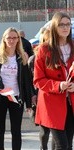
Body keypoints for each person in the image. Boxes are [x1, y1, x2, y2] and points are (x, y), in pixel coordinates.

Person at [0, 27, 32, 150]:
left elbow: (27, 81)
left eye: (14, 37)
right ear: (4, 39)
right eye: (9, 37)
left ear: (18, 40)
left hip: (16, 97)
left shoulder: (22, 58)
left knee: (16, 131)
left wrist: (29, 103)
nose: (11, 40)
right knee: (0, 130)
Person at [34, 12, 74, 150]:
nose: (65, 27)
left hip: (70, 103)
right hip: (52, 104)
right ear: (54, 27)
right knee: (62, 145)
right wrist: (59, 85)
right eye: (61, 24)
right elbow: (38, 80)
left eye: (68, 24)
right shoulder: (45, 49)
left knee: (68, 144)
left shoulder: (73, 46)